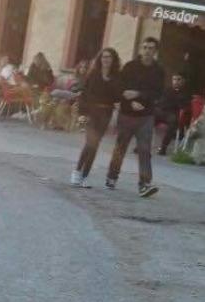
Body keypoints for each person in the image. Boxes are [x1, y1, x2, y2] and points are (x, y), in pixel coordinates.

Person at [105, 36, 164, 197]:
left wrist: (139, 95)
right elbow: (119, 87)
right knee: (120, 147)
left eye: (151, 48)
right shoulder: (130, 67)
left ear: (155, 51)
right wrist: (129, 102)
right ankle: (112, 177)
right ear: (141, 49)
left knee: (144, 150)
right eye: (145, 47)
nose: (147, 51)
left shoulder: (159, 71)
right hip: (127, 114)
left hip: (146, 116)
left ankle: (144, 184)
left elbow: (158, 93)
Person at [70, 46, 122, 187]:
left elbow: (117, 96)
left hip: (106, 114)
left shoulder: (116, 77)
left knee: (95, 145)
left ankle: (84, 176)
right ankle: (77, 172)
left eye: (109, 57)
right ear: (100, 59)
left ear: (113, 60)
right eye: (104, 57)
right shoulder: (93, 75)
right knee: (90, 143)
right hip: (92, 112)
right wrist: (82, 113)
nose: (106, 59)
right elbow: (84, 95)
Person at [156, 72, 189, 156]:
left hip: (173, 114)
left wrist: (173, 103)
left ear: (183, 81)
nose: (176, 82)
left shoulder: (186, 92)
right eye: (174, 79)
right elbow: (162, 102)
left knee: (173, 122)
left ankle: (163, 147)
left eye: (178, 79)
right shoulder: (167, 90)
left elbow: (183, 106)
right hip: (161, 112)